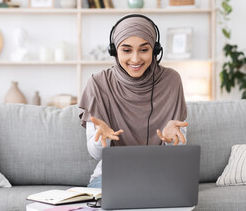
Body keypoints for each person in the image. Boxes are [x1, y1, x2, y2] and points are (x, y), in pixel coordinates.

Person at [79, 14, 188, 189]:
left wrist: (170, 140)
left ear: (155, 50)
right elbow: (96, 154)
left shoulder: (171, 80)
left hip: (161, 174)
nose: (136, 59)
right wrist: (101, 139)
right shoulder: (98, 83)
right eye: (126, 50)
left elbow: (179, 148)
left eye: (144, 50)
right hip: (111, 175)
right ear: (114, 51)